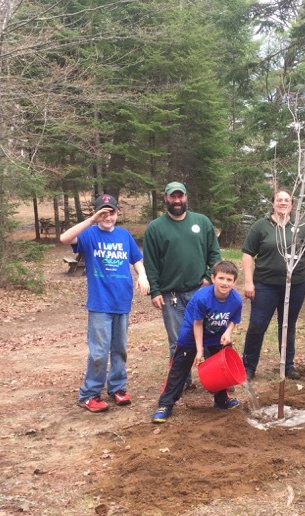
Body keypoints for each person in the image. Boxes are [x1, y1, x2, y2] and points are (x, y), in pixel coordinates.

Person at [61, 194, 150, 413]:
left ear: (117, 214)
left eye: (112, 212)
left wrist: (143, 275)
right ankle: (90, 394)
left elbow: (136, 259)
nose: (108, 217)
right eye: (104, 212)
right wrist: (91, 220)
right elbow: (65, 238)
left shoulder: (124, 235)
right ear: (97, 213)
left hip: (122, 301)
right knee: (99, 351)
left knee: (119, 349)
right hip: (100, 303)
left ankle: (117, 388)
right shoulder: (89, 234)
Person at [143, 181, 222, 386]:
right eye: (172, 197)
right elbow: (150, 262)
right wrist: (155, 291)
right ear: (166, 199)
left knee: (210, 336)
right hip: (171, 295)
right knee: (178, 341)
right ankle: (182, 380)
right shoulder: (155, 228)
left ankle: (215, 378)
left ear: (186, 197)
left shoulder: (202, 222)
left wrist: (208, 277)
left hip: (201, 291)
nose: (177, 200)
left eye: (180, 196)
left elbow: (214, 253)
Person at [151, 261, 244, 423]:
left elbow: (233, 319)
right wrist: (200, 350)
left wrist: (228, 333)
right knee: (179, 369)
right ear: (213, 278)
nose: (225, 283)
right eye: (221, 278)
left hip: (217, 336)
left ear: (234, 282)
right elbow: (198, 324)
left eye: (229, 280)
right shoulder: (202, 297)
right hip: (191, 335)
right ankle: (165, 404)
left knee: (222, 369)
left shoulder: (236, 300)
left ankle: (222, 400)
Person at [241, 189, 305, 381]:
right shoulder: (261, 226)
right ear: (273, 203)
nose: (283, 203)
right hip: (265, 285)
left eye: (287, 200)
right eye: (279, 200)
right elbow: (248, 253)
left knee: (288, 325)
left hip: (295, 285)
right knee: (257, 325)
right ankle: (248, 367)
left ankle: (288, 364)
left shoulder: (301, 228)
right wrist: (249, 282)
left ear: (292, 204)